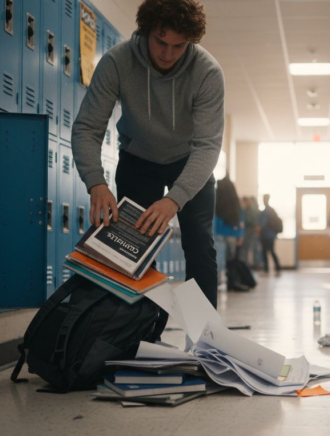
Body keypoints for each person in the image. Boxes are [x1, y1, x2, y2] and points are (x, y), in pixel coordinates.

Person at [71, 0, 224, 338]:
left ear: (191, 42)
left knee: (199, 245)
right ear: (145, 31)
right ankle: (140, 337)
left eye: (179, 45)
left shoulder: (207, 72)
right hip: (139, 159)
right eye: (161, 41)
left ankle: (206, 340)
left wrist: (176, 199)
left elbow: (208, 146)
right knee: (135, 247)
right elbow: (87, 128)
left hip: (189, 161)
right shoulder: (117, 62)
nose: (168, 53)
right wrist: (96, 183)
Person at [214, 177, 244, 263]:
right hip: (232, 233)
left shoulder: (218, 198)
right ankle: (230, 275)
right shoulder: (235, 201)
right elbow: (240, 220)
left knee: (220, 259)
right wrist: (240, 235)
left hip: (219, 233)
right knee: (230, 259)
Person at [259, 194, 281, 276]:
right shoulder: (272, 210)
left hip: (266, 235)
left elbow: (262, 223)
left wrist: (258, 229)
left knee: (265, 252)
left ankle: (266, 270)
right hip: (271, 235)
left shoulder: (266, 211)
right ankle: (277, 268)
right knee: (271, 251)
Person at [239, 196, 260, 266]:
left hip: (249, 229)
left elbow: (249, 220)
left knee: (246, 247)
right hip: (250, 229)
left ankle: (245, 264)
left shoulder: (251, 209)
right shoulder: (252, 209)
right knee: (249, 247)